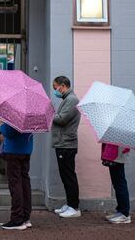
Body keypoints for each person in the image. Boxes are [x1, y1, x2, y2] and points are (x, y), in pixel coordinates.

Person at [51, 75, 81, 218]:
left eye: (55, 87)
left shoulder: (72, 100)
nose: (55, 91)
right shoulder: (67, 99)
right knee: (65, 175)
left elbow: (62, 119)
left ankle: (74, 207)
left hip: (66, 144)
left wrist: (49, 115)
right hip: (63, 143)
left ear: (63, 86)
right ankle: (70, 204)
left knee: (68, 175)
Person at [0, 122, 34, 230]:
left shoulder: (14, 112)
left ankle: (17, 219)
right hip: (26, 149)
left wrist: (1, 124)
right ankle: (25, 217)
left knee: (15, 184)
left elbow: (9, 132)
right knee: (24, 183)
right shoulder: (30, 112)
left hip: (14, 151)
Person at [101, 143, 131, 224]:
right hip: (116, 154)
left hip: (118, 154)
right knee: (117, 183)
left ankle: (124, 214)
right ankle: (120, 211)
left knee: (120, 183)